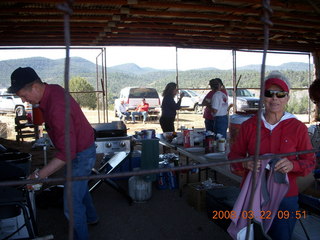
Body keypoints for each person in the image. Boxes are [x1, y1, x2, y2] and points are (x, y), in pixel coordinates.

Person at [8, 67, 98, 240]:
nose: (24, 100)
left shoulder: (57, 106)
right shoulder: (51, 90)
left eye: (24, 96)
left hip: (81, 152)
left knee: (71, 204)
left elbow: (67, 154)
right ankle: (92, 218)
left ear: (35, 87)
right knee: (78, 187)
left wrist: (39, 175)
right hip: (78, 147)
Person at [228, 71, 316, 240]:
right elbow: (234, 156)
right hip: (253, 194)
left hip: (286, 196)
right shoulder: (249, 126)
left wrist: (293, 165)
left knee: (281, 236)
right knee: (253, 235)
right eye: (269, 93)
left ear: (287, 98)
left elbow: (310, 162)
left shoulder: (297, 127)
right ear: (263, 97)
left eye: (280, 94)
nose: (274, 98)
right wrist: (246, 163)